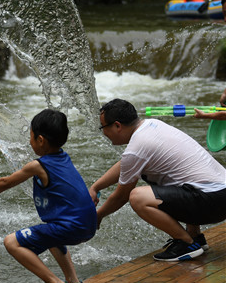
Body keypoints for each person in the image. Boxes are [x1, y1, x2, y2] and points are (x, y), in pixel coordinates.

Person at [0, 109, 96, 283]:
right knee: (51, 234)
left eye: (30, 137)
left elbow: (5, 181)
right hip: (88, 224)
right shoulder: (64, 157)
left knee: (11, 242)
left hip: (72, 227)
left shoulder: (38, 165)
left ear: (40, 140)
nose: (29, 142)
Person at [90, 99, 226, 262]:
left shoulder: (137, 147)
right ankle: (195, 237)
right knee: (177, 179)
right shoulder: (152, 125)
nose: (103, 132)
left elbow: (121, 196)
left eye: (103, 127)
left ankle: (186, 243)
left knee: (138, 197)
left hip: (212, 201)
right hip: (218, 196)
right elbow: (125, 164)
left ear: (117, 126)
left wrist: (99, 215)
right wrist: (96, 187)